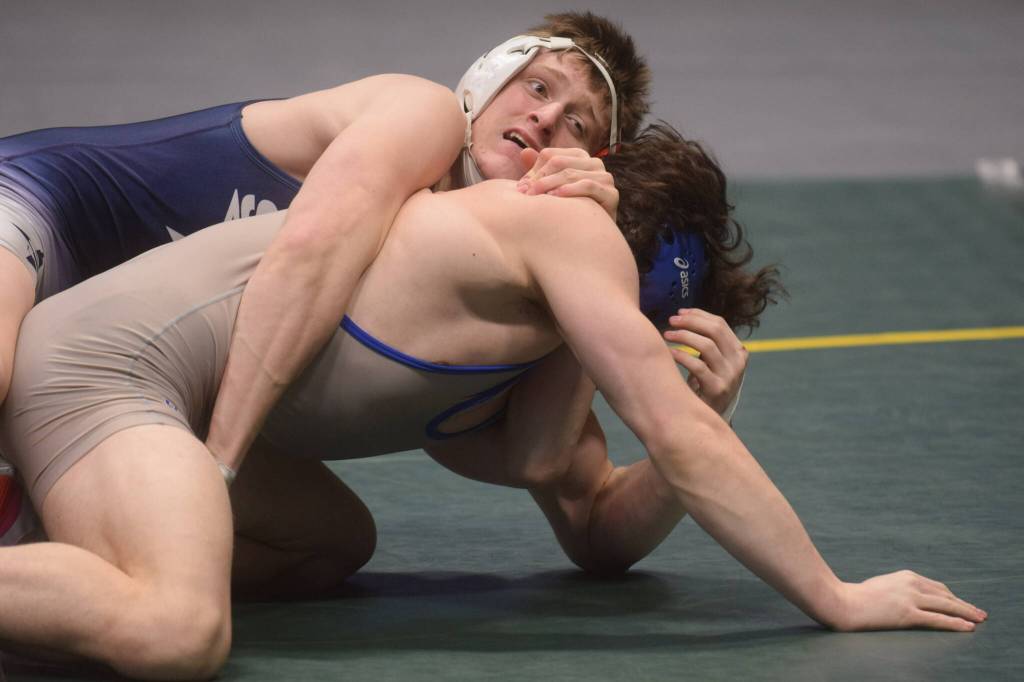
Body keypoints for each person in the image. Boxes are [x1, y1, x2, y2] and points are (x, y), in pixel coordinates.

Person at [0, 123, 984, 679]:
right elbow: (670, 433)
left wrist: (706, 411)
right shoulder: (561, 232)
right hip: (107, 373)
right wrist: (837, 596)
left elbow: (595, 528)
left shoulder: (533, 343)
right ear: (654, 272)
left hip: (159, 398)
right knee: (180, 631)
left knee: (329, 546)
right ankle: (102, 558)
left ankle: (55, 545)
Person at [5, 13, 732, 545]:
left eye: (575, 126)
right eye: (536, 87)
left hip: (129, 361)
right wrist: (218, 467)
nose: (544, 119)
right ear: (486, 77)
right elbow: (308, 255)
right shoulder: (423, 116)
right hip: (45, 213)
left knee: (327, 546)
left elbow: (592, 517)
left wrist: (697, 424)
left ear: (586, 165)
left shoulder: (490, 292)